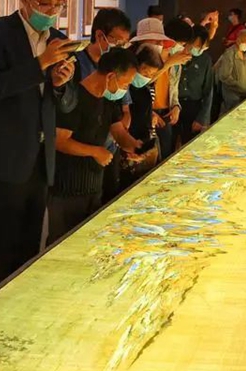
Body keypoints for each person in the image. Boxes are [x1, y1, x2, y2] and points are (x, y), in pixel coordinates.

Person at [0, 0, 75, 297]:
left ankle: (16, 310)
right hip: (3, 158)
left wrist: (60, 84)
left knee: (28, 249)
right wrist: (40, 63)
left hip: (41, 159)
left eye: (59, 5)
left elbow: (68, 103)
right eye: (46, 3)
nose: (52, 11)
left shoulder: (58, 39)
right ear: (26, 2)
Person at [47, 48, 141, 244]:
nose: (125, 89)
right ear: (111, 77)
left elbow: (118, 131)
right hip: (67, 188)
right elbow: (59, 141)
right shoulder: (74, 98)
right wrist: (95, 152)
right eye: (125, 84)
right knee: (63, 244)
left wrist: (136, 147)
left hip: (94, 186)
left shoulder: (107, 100)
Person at [57, 8, 132, 205]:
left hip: (103, 162)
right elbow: (61, 136)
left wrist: (132, 145)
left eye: (125, 43)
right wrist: (94, 151)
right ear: (100, 36)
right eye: (117, 41)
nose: (120, 47)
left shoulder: (117, 69)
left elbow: (118, 114)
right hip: (71, 174)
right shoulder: (74, 68)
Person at [120, 43, 164, 191]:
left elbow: (145, 122)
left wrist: (145, 149)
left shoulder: (145, 92)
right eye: (145, 72)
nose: (146, 77)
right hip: (125, 151)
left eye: (151, 75)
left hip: (141, 149)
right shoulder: (122, 89)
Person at [151, 18, 193, 160]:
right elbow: (144, 83)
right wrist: (168, 63)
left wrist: (176, 106)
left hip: (166, 112)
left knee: (165, 155)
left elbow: (174, 88)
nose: (182, 48)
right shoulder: (152, 57)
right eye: (181, 44)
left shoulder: (176, 62)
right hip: (149, 113)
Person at [176, 25, 214, 145]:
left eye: (202, 47)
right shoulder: (176, 55)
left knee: (189, 143)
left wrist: (202, 118)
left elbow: (208, 90)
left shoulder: (205, 60)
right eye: (197, 46)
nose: (199, 50)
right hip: (174, 104)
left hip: (193, 106)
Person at [216, 29, 246, 113]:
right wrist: (238, 86)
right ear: (238, 40)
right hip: (232, 95)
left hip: (243, 94)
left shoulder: (244, 53)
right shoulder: (229, 54)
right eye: (245, 42)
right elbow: (224, 76)